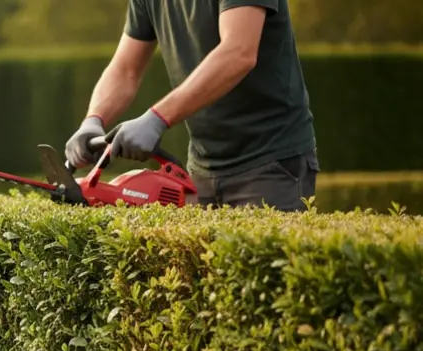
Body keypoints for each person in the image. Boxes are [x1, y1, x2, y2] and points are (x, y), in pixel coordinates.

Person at [66, 0, 317, 211]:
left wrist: (156, 118)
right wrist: (93, 120)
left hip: (270, 162)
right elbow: (125, 70)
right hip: (202, 168)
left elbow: (238, 52)